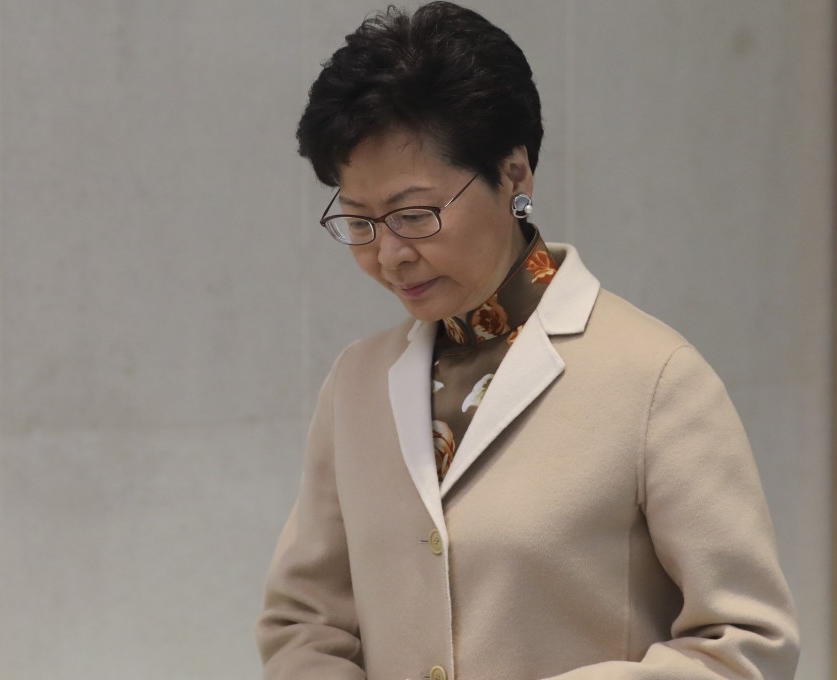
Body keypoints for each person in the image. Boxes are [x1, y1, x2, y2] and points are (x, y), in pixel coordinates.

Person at [256, 3, 799, 679]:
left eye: (413, 215)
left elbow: (748, 643)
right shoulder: (357, 384)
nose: (389, 255)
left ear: (514, 176)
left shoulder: (655, 380)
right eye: (360, 222)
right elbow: (304, 622)